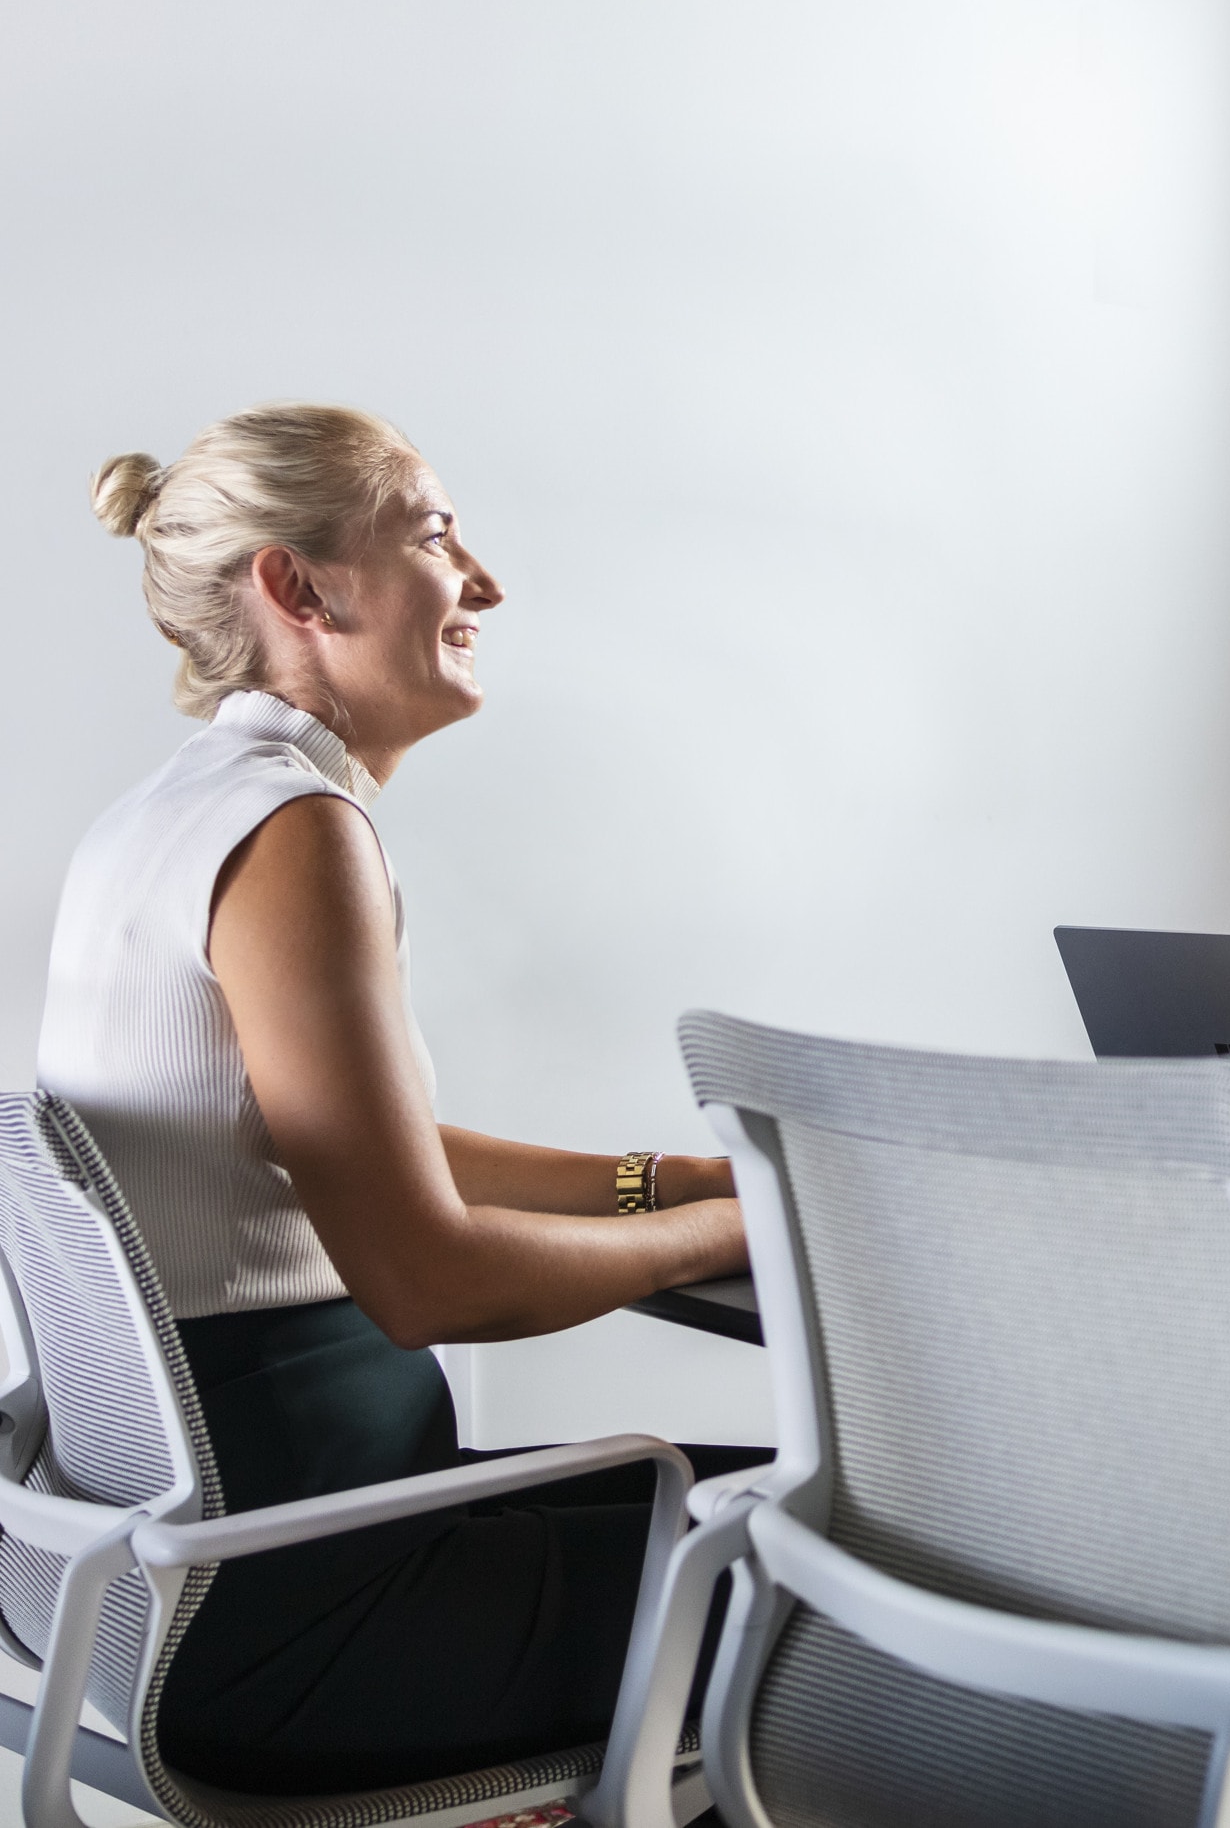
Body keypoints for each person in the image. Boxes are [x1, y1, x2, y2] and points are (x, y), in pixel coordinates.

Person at [35, 404, 759, 1792]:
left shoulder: (175, 813)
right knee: (858, 1561)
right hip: (309, 1599)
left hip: (194, 1576)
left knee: (768, 1499)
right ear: (298, 588)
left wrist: (661, 1183)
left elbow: (352, 1149)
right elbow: (426, 1275)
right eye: (435, 537)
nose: (483, 582)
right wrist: (736, 1234)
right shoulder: (292, 830)